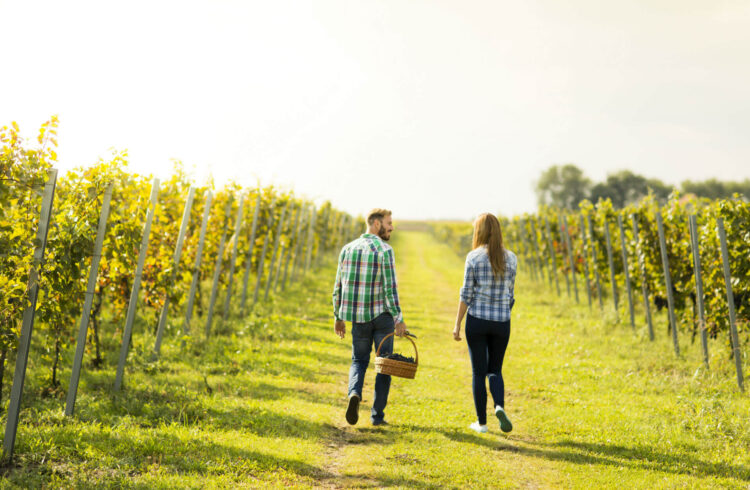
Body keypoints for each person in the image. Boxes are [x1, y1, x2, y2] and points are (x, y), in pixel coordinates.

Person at [332, 208, 407, 426]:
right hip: (382, 317)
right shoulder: (385, 250)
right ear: (376, 224)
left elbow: (338, 286)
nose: (392, 227)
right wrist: (398, 318)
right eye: (389, 223)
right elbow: (390, 288)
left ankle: (354, 393)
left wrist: (338, 316)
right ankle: (377, 416)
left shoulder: (347, 249)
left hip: (359, 318)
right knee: (384, 365)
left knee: (358, 361)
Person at [453, 213, 517, 434]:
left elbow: (466, 294)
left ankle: (481, 424)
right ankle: (499, 405)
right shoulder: (512, 258)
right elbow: (510, 295)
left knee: (478, 372)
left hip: (478, 321)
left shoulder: (473, 257)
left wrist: (457, 324)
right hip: (501, 322)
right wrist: (502, 314)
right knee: (495, 370)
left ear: (479, 231)